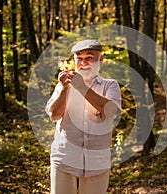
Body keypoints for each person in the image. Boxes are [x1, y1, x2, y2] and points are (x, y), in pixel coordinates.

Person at [45, 39, 121, 194]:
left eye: (89, 58)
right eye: (79, 59)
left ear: (100, 59)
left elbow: (111, 111)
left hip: (97, 162)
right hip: (64, 158)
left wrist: (81, 87)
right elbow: (54, 115)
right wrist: (65, 88)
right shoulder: (63, 84)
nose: (83, 63)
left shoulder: (110, 85)